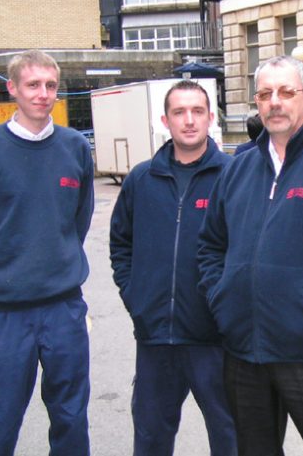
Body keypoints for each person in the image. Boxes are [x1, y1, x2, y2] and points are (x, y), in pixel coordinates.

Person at [198, 55, 303, 456]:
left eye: (286, 92)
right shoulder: (236, 170)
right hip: (244, 352)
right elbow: (210, 245)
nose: (275, 102)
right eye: (265, 93)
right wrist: (219, 295)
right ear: (256, 103)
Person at [0, 49, 94, 456]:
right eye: (33, 84)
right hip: (6, 314)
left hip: (63, 310)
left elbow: (76, 221)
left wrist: (57, 258)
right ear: (12, 88)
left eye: (50, 85)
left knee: (70, 419)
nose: (43, 94)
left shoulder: (74, 148)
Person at [110, 80, 236, 456]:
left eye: (197, 111)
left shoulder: (234, 175)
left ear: (211, 118)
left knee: (231, 436)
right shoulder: (142, 179)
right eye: (179, 112)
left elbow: (247, 250)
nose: (189, 121)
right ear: (165, 120)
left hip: (213, 339)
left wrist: (226, 309)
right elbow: (121, 245)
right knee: (150, 438)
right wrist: (137, 297)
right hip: (156, 340)